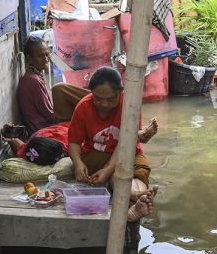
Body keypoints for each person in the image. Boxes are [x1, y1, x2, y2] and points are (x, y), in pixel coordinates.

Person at [67, 66, 156, 202]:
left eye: (110, 99)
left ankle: (138, 196)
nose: (103, 104)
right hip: (96, 154)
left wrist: (109, 169)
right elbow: (74, 141)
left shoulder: (130, 106)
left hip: (127, 152)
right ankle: (133, 195)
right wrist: (78, 163)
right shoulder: (83, 107)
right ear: (91, 92)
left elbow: (126, 144)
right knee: (113, 173)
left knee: (136, 174)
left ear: (120, 92)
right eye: (98, 98)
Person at [16, 37, 90, 134]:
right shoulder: (33, 80)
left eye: (47, 54)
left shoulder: (34, 76)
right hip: (45, 129)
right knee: (60, 89)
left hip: (46, 125)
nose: (46, 59)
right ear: (30, 58)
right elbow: (50, 116)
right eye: (41, 56)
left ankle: (93, 101)